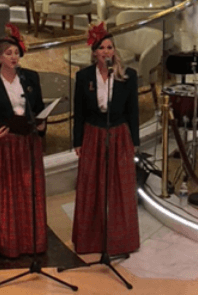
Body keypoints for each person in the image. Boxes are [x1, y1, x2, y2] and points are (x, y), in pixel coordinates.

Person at [0, 24, 47, 258]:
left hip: (26, 144)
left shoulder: (30, 78)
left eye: (16, 53)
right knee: (3, 196)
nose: (14, 57)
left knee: (27, 194)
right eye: (8, 54)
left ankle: (28, 241)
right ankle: (0, 241)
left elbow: (40, 109)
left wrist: (42, 125)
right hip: (2, 145)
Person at [72, 22, 140, 255]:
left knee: (119, 187)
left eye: (110, 47)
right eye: (102, 48)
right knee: (92, 186)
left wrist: (135, 142)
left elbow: (133, 111)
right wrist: (77, 141)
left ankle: (121, 241)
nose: (106, 52)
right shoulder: (83, 77)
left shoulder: (128, 76)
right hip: (93, 133)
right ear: (94, 52)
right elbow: (78, 112)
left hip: (119, 133)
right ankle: (91, 240)